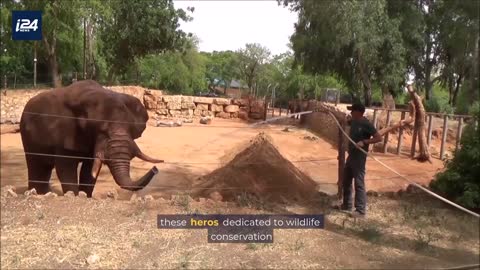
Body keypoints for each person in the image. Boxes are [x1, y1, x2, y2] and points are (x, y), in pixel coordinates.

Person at [337, 103, 382, 218]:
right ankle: (347, 205)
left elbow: (378, 137)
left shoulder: (366, 124)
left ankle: (361, 210)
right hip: (351, 156)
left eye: (353, 111)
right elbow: (345, 122)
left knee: (358, 182)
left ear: (358, 112)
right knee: (346, 180)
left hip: (359, 158)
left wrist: (365, 142)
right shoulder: (354, 121)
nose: (351, 113)